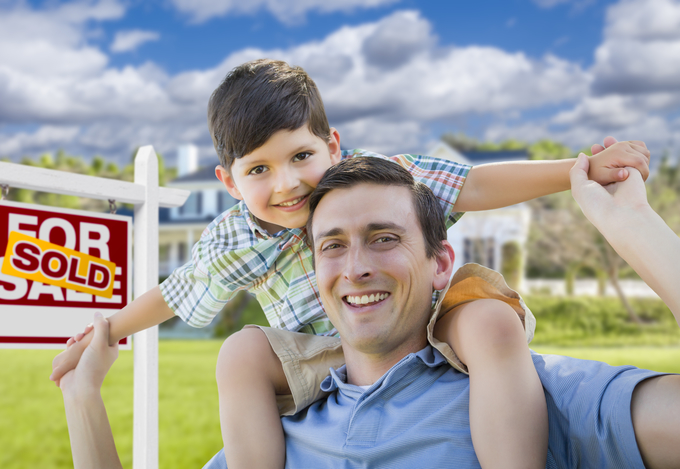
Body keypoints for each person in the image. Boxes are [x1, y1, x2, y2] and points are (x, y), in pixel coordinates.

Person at [51, 59, 651, 469]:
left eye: (301, 156)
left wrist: (579, 170)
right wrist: (103, 332)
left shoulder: (382, 182)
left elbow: (475, 183)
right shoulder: (234, 238)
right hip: (323, 352)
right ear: (229, 183)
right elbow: (176, 293)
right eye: (259, 170)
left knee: (489, 323)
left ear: (333, 146)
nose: (287, 185)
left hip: (427, 318)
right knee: (239, 353)